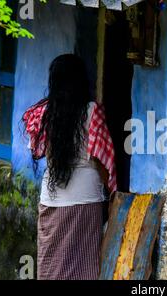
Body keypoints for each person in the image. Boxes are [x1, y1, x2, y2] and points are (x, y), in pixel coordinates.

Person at [22, 54, 117, 280]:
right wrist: (112, 192)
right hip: (85, 199)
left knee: (51, 269)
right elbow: (102, 159)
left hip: (51, 199)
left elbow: (37, 151)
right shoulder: (92, 111)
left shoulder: (43, 113)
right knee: (84, 269)